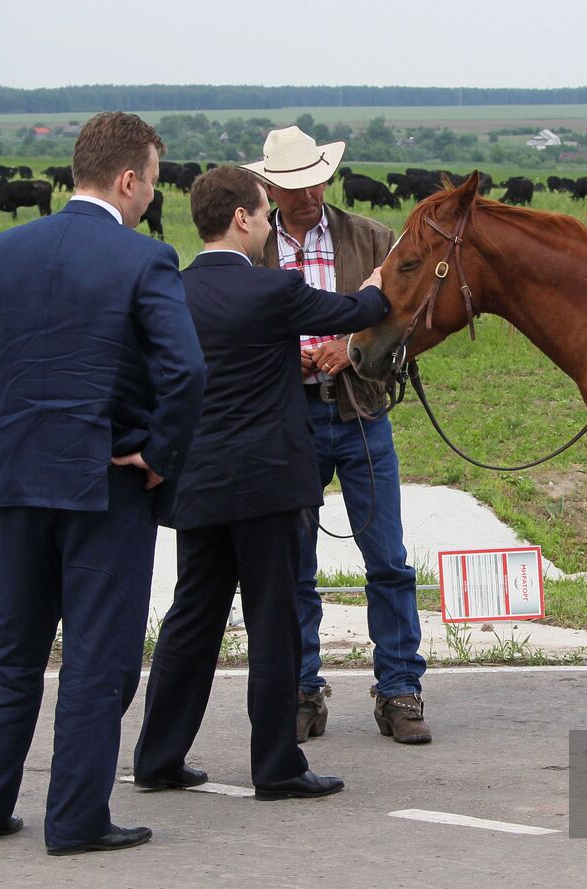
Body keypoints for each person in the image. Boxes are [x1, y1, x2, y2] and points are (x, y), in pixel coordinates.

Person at [0, 111, 206, 856]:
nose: (152, 198)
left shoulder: (6, 250)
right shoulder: (144, 260)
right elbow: (186, 371)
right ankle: (76, 818)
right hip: (106, 481)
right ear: (129, 179)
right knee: (100, 654)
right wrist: (158, 453)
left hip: (20, 474)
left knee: (11, 643)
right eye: (152, 183)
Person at [132, 167, 391, 800]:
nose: (271, 224)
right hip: (269, 482)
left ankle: (158, 756)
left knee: (192, 617)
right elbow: (357, 309)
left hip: (199, 480)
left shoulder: (175, 291)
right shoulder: (274, 291)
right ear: (243, 218)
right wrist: (384, 278)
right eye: (264, 215)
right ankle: (275, 765)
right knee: (273, 621)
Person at [247, 126, 431, 744]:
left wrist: (350, 350)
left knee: (388, 560)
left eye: (314, 181)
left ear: (327, 177)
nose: (306, 194)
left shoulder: (371, 238)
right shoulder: (253, 247)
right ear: (271, 186)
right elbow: (236, 325)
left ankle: (400, 689)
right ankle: (302, 690)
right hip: (287, 418)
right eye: (293, 185)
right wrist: (283, 358)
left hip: (361, 414)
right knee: (293, 563)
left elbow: (406, 315)